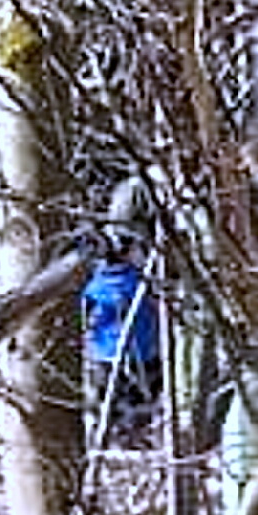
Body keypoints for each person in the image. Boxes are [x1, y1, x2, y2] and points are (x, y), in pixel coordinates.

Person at [85, 177, 161, 445]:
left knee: (132, 407)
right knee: (116, 405)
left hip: (132, 350)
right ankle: (116, 440)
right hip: (115, 352)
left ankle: (125, 439)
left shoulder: (130, 277)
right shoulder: (114, 276)